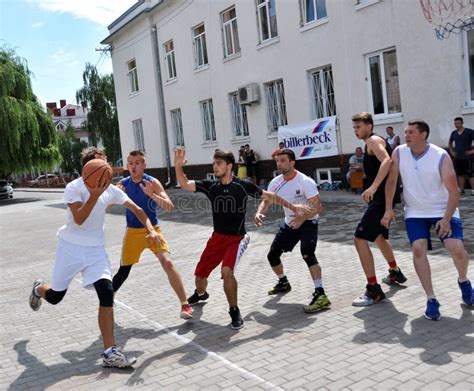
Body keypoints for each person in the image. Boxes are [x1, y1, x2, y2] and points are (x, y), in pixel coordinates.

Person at [28, 147, 161, 368]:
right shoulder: (74, 187)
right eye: (102, 164)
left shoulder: (110, 189)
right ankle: (38, 289)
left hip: (95, 250)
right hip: (69, 248)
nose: (107, 169)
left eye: (106, 164)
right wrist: (95, 195)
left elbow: (137, 209)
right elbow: (79, 218)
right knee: (55, 297)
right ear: (90, 169)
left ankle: (110, 352)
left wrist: (151, 229)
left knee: (107, 293)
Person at [174, 148, 309, 329]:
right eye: (214, 163)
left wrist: (292, 207)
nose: (215, 166)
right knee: (200, 276)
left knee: (227, 272)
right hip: (217, 238)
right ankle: (201, 294)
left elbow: (269, 196)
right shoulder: (210, 186)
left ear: (229, 166)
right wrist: (177, 166)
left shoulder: (242, 185)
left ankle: (234, 311)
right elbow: (184, 184)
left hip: (236, 238)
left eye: (219, 163)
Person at [382, 120, 473, 320]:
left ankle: (464, 280)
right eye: (405, 132)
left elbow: (454, 192)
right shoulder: (398, 152)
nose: (406, 135)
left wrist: (447, 219)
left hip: (443, 209)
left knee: (457, 250)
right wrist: (388, 209)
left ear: (424, 135)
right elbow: (391, 181)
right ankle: (431, 299)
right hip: (415, 212)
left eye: (411, 132)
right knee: (418, 248)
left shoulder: (440, 156)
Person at [112, 150, 193, 320]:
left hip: (153, 230)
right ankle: (107, 300)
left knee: (168, 263)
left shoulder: (152, 182)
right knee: (123, 271)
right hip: (133, 232)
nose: (133, 166)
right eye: (130, 163)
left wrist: (152, 194)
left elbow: (170, 207)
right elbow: (106, 206)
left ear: (144, 165)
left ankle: (185, 305)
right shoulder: (123, 184)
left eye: (137, 163)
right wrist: (113, 196)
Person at [254, 148, 331, 313]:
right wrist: (260, 212)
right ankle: (283, 282)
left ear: (292, 162)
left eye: (282, 160)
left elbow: (317, 207)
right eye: (277, 161)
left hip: (309, 221)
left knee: (307, 253)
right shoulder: (275, 182)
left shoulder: (305, 181)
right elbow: (267, 201)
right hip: (290, 223)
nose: (279, 164)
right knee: (272, 255)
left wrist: (302, 218)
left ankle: (321, 294)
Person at [351, 112, 406, 307]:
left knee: (359, 239)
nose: (356, 131)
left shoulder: (374, 140)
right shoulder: (372, 141)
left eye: (358, 127)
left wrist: (373, 187)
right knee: (379, 237)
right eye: (354, 127)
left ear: (369, 125)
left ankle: (373, 289)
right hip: (384, 199)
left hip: (381, 200)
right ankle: (394, 271)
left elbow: (387, 161)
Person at [448, 117, 474, 196]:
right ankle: (461, 189)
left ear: (462, 123)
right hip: (458, 157)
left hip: (467, 157)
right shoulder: (454, 133)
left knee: (471, 174)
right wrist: (452, 152)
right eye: (455, 123)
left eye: (458, 123)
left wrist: (472, 151)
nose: (456, 125)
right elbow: (450, 143)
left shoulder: (469, 132)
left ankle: (473, 190)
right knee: (460, 174)